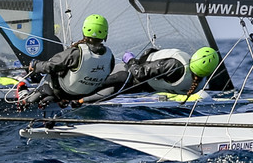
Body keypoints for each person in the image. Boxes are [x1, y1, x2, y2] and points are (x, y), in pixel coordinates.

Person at [20, 15, 115, 108]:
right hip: (84, 95)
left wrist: (36, 66)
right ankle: (55, 100)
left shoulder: (76, 53)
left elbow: (51, 66)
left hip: (62, 91)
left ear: (84, 31)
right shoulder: (110, 56)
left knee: (49, 81)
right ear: (105, 34)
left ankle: (24, 100)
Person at [80, 46, 222, 105]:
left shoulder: (175, 65)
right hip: (145, 87)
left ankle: (74, 95)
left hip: (133, 75)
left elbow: (139, 73)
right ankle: (78, 101)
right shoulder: (199, 84)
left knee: (117, 78)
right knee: (113, 89)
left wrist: (130, 59)